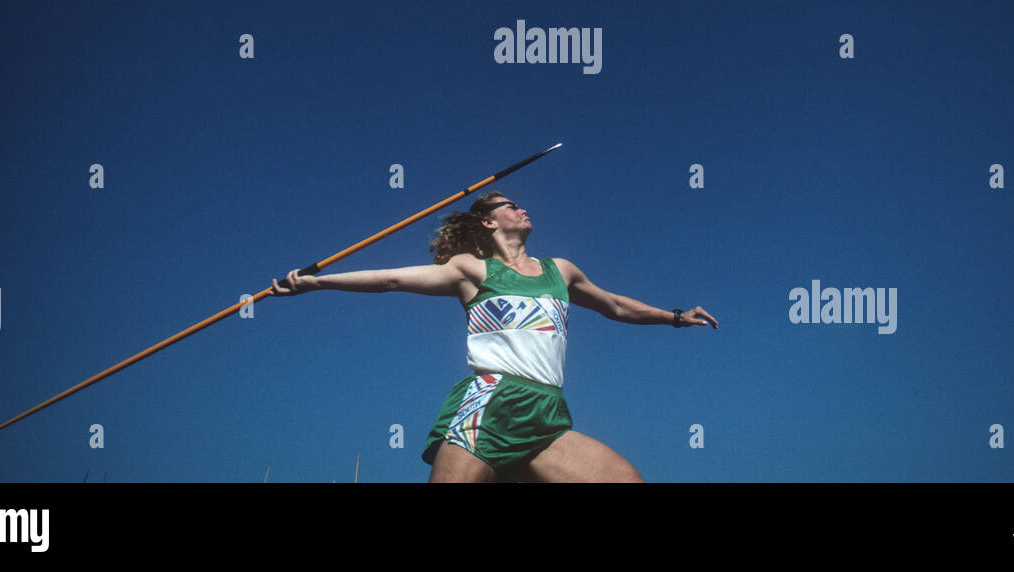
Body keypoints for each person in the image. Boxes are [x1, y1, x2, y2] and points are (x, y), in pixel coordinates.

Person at [270, 190, 717, 482]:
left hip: (546, 413)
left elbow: (615, 305)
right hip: (492, 402)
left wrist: (674, 316)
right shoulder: (472, 269)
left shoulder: (559, 270)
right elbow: (391, 279)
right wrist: (315, 282)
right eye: (508, 205)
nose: (521, 208)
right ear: (488, 223)